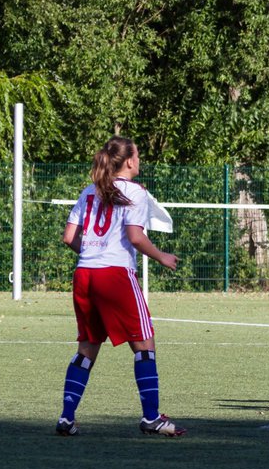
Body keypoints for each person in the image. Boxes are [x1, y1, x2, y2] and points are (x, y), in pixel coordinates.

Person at [55, 136, 185, 437]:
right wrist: (162, 256)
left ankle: (66, 417)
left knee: (87, 348)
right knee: (144, 343)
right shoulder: (135, 193)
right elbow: (135, 237)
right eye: (137, 155)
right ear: (128, 161)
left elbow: (68, 237)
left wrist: (93, 253)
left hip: (85, 274)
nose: (139, 160)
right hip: (115, 276)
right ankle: (151, 417)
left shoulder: (90, 191)